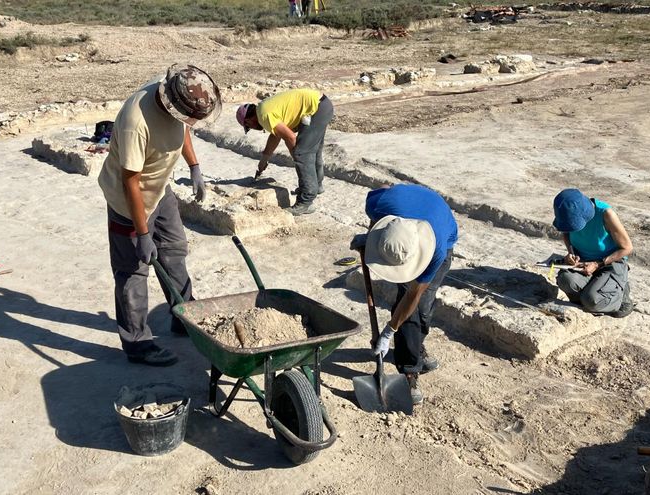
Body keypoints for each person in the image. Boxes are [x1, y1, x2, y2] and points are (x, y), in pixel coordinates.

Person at [97, 65, 222, 366]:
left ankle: (183, 314)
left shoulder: (177, 92)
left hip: (159, 189)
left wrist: (194, 166)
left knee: (174, 250)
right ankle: (138, 344)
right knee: (133, 272)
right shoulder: (135, 122)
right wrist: (141, 233)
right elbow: (130, 181)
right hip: (129, 200)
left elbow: (183, 127)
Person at [352, 184, 458, 405]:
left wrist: (389, 331)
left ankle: (415, 345)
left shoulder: (436, 251)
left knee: (420, 307)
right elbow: (381, 191)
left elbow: (413, 296)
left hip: (443, 232)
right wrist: (372, 236)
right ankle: (409, 368)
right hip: (411, 216)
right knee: (409, 315)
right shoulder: (377, 205)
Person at [235, 88, 333, 216]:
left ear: (248, 120)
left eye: (249, 127)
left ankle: (305, 202)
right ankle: (316, 186)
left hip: (316, 110)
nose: (253, 128)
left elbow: (290, 137)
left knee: (303, 154)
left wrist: (298, 157)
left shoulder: (264, 116)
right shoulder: (263, 109)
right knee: (313, 152)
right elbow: (276, 135)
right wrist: (264, 159)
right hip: (322, 105)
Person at [552, 188, 634, 318]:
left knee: (592, 301)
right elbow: (566, 233)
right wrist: (571, 252)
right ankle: (594, 295)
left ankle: (621, 296)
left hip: (610, 262)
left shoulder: (606, 214)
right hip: (583, 263)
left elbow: (627, 247)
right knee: (565, 280)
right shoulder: (566, 212)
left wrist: (597, 264)